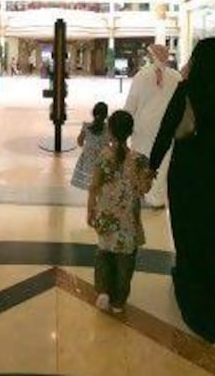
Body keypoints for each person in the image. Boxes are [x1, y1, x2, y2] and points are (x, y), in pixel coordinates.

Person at [149, 37, 215, 344]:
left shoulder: (188, 90)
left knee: (189, 229)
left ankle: (193, 303)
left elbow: (166, 130)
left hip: (190, 169)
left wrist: (149, 167)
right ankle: (209, 302)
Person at [87, 110, 153, 313]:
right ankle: (118, 301)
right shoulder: (140, 160)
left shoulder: (103, 157)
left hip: (106, 215)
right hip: (128, 220)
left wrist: (90, 210)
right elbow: (144, 190)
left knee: (104, 254)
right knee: (125, 260)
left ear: (110, 131)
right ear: (131, 131)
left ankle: (103, 292)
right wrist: (148, 178)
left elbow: (94, 186)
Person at [124, 44, 181, 209]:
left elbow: (131, 103)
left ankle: (140, 192)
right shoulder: (176, 77)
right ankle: (157, 198)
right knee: (163, 161)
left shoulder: (141, 76)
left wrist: (125, 124)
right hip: (167, 128)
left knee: (140, 159)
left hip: (143, 127)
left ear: (151, 57)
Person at [71, 102, 110, 190]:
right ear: (106, 115)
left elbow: (79, 141)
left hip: (88, 158)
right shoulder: (108, 128)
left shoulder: (86, 126)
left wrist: (87, 147)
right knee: (101, 183)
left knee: (91, 185)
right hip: (102, 158)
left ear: (93, 113)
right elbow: (112, 142)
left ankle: (91, 200)